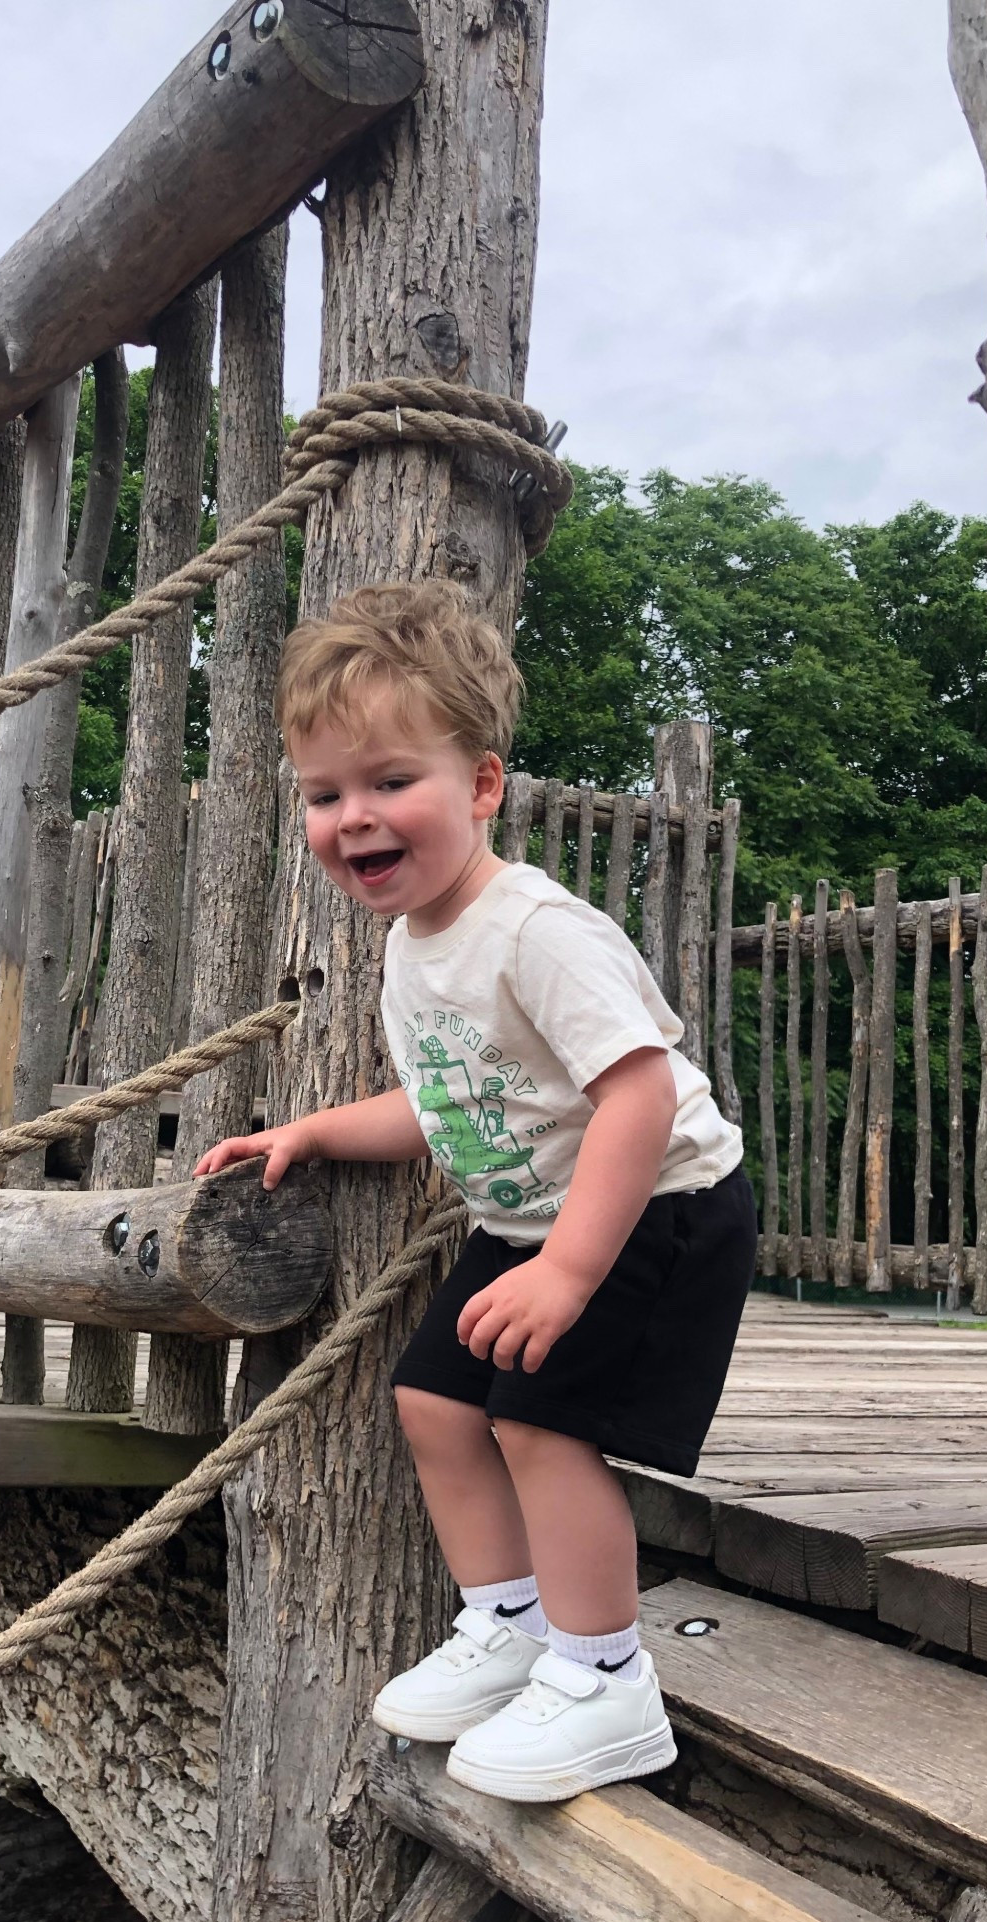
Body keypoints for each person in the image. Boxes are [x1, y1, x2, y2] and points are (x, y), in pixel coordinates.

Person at [196, 580, 757, 1803]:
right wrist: (314, 1130)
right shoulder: (411, 947)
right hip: (530, 1219)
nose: (355, 816)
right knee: (437, 1403)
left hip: (655, 1208)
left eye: (391, 779)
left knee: (541, 1421)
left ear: (484, 785)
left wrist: (567, 1269)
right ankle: (509, 1623)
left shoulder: (535, 929)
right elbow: (445, 1104)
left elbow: (640, 1095)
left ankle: (606, 1677)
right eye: (325, 793)